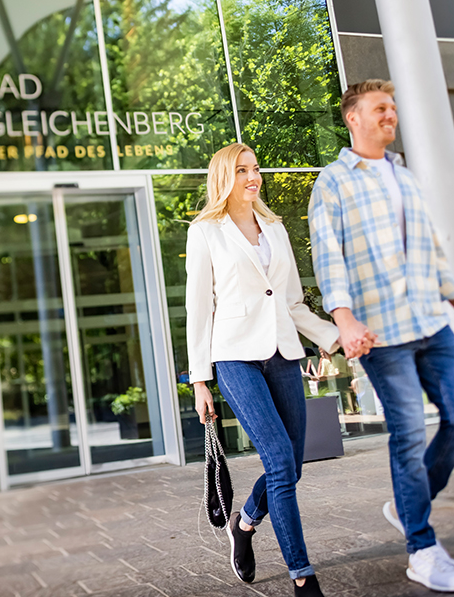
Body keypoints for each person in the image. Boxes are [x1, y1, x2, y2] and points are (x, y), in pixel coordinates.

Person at [308, 80, 454, 593]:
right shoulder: (334, 182)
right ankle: (422, 548)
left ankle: (407, 505)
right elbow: (329, 257)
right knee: (409, 434)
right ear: (353, 118)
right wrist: (344, 319)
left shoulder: (404, 176)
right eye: (379, 108)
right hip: (381, 333)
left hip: (431, 323)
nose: (390, 115)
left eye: (392, 108)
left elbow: (431, 249)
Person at [186, 142, 373, 597]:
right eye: (243, 170)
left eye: (256, 168)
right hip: (234, 357)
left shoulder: (274, 227)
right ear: (224, 177)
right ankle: (303, 576)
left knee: (292, 467)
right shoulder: (206, 230)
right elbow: (199, 308)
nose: (253, 177)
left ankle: (244, 524)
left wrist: (336, 338)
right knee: (278, 460)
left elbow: (290, 302)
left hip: (284, 354)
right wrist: (199, 379)